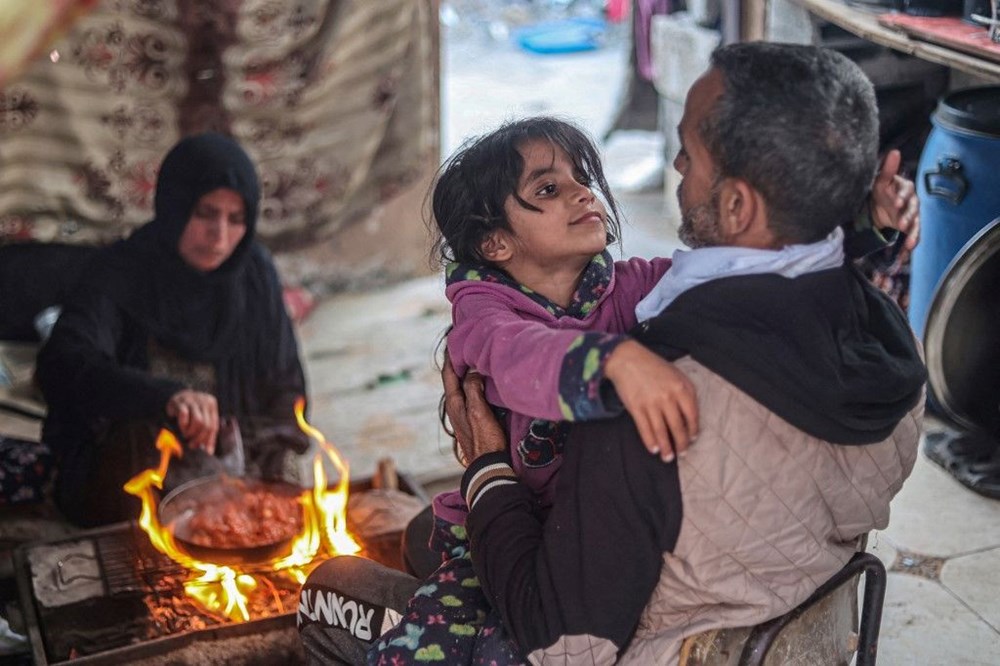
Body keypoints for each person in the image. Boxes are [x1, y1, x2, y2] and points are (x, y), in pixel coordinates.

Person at [298, 95, 922, 663]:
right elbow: (519, 357)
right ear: (495, 245)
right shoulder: (484, 316)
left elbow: (737, 271)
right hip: (513, 519)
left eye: (583, 179)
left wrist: (857, 227)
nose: (582, 194)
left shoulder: (633, 285)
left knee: (497, 640)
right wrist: (609, 361)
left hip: (591, 542)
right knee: (430, 638)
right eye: (547, 189)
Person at [454, 42, 927, 664]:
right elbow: (510, 345)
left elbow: (561, 647)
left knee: (352, 588)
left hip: (662, 644)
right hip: (784, 611)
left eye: (690, 152)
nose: (676, 164)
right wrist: (854, 218)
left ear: (735, 205)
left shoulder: (649, 409)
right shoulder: (889, 340)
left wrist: (487, 470)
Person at [35, 132, 310, 528]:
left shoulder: (254, 275)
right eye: (204, 213)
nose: (219, 237)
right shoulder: (119, 272)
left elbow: (288, 390)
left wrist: (271, 476)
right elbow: (62, 365)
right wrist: (166, 398)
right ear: (175, 206)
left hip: (231, 467)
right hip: (130, 474)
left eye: (236, 220)